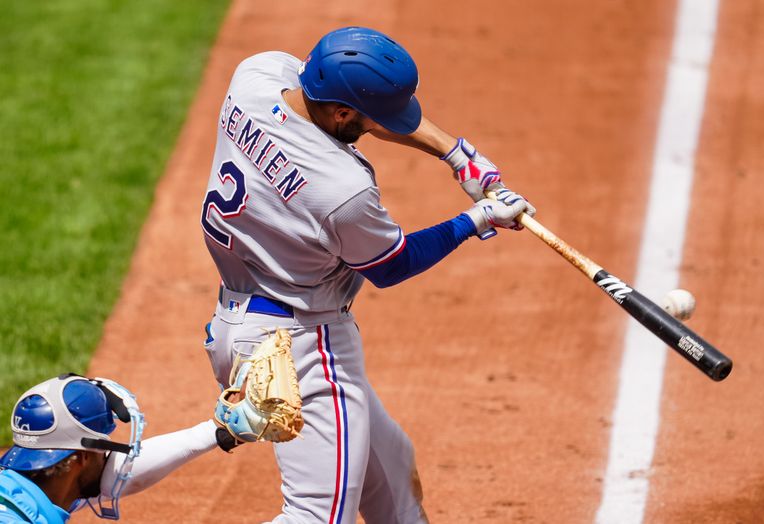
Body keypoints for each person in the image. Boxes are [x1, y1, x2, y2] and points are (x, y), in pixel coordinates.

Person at [200, 26, 535, 523]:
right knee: (316, 515)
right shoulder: (342, 191)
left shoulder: (257, 77)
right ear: (341, 113)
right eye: (372, 116)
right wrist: (478, 220)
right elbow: (391, 264)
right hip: (301, 343)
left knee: (391, 475)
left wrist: (456, 155)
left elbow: (343, 104)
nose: (383, 123)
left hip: (242, 321)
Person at [0, 374, 238, 522]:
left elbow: (117, 477)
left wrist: (216, 433)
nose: (107, 460)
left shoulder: (24, 492)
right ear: (80, 457)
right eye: (103, 451)